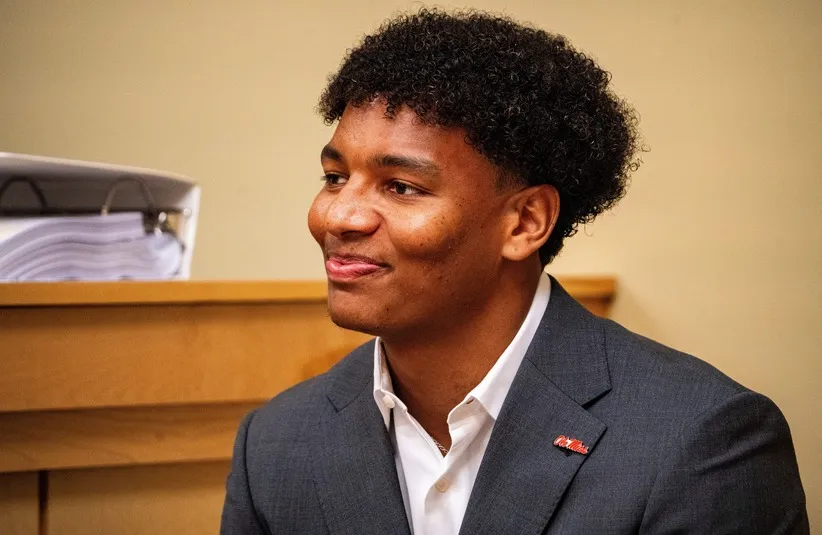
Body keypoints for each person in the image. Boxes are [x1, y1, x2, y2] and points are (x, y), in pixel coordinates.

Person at [221, 9, 808, 535]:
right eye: (334, 177)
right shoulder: (275, 444)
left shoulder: (700, 442)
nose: (339, 214)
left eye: (401, 186)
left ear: (525, 221)